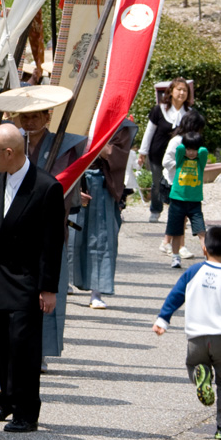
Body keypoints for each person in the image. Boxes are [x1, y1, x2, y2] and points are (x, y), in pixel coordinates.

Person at [0, 123, 65, 433]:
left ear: (10, 153)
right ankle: (6, 398)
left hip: (27, 277)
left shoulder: (46, 187)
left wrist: (48, 288)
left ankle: (27, 410)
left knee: (23, 345)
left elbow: (52, 244)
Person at [0, 87, 85, 364]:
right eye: (25, 117)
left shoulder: (65, 146)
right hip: (14, 225)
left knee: (46, 287)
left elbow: (65, 182)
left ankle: (41, 350)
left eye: (36, 116)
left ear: (48, 116)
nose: (30, 122)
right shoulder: (12, 143)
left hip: (44, 223)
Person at [153, 226, 221, 440]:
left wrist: (163, 319)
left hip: (196, 338)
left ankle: (200, 376)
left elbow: (175, 296)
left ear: (204, 249)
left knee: (193, 366)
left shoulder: (192, 273)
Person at [71, 119, 136, 308]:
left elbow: (111, 153)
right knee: (71, 236)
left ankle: (96, 292)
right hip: (77, 179)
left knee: (100, 239)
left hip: (101, 184)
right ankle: (65, 282)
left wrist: (94, 139)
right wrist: (75, 187)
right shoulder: (81, 113)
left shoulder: (120, 126)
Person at [138, 78, 191, 224]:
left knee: (178, 184)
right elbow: (149, 132)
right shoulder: (159, 110)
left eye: (184, 90)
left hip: (179, 156)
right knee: (157, 184)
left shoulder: (189, 113)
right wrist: (143, 152)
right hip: (157, 154)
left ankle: (176, 212)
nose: (181, 93)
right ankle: (155, 210)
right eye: (179, 89)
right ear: (171, 92)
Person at [164, 111, 208, 270]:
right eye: (188, 149)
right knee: (176, 231)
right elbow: (180, 149)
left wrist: (197, 142)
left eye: (194, 149)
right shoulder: (180, 157)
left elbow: (203, 151)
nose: (191, 152)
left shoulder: (200, 160)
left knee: (201, 230)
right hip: (177, 199)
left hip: (194, 201)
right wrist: (187, 139)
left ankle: (208, 257)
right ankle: (175, 257)